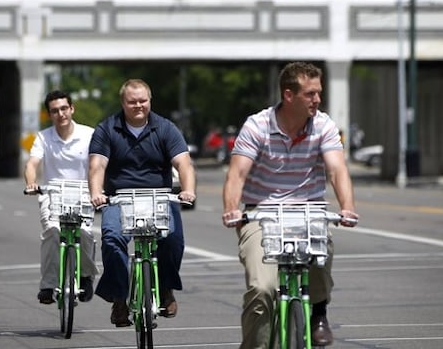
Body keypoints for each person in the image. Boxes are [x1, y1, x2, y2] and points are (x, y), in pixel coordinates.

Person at [221, 62, 359, 348]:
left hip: (308, 213)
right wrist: (232, 209)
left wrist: (347, 207)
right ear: (288, 95)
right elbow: (237, 174)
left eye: (318, 92)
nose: (317, 99)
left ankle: (318, 312)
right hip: (262, 215)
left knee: (322, 250)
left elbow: (337, 170)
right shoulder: (257, 125)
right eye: (310, 94)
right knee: (262, 289)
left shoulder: (323, 125)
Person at [88, 78, 196, 327]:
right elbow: (97, 165)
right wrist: (96, 192)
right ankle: (119, 299)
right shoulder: (107, 129)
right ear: (123, 103)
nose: (138, 105)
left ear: (150, 101)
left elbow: (184, 163)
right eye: (132, 101)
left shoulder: (165, 128)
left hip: (159, 197)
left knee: (173, 238)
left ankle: (166, 288)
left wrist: (188, 190)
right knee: (112, 239)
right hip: (120, 198)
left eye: (142, 101)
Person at [24, 90, 98, 305]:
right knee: (52, 231)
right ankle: (48, 285)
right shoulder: (43, 137)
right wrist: (31, 183)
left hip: (83, 193)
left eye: (64, 108)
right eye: (55, 111)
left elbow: (99, 164)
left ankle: (85, 276)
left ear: (72, 109)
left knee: (84, 233)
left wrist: (99, 188)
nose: (61, 114)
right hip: (52, 193)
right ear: (49, 115)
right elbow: (32, 164)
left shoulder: (89, 134)